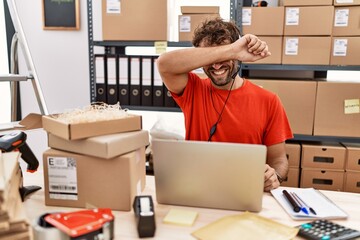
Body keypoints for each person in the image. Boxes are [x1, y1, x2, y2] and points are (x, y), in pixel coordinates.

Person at [156, 18, 293, 192]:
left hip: (246, 192)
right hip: (197, 190)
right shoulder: (192, 89)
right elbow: (164, 64)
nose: (217, 64)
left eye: (226, 57)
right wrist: (230, 50)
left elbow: (279, 160)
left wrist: (275, 177)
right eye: (211, 56)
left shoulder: (269, 100)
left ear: (237, 58)